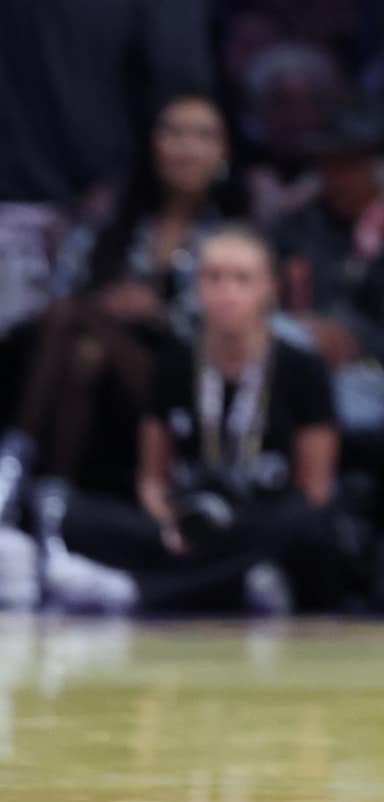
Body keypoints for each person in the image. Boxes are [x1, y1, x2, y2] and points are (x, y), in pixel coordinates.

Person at [0, 0, 213, 334]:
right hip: (14, 199)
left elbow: (181, 87)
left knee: (87, 349)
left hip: (115, 208)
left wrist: (132, 189)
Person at [57, 226, 345, 615]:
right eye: (214, 278)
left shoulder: (302, 367)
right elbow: (153, 479)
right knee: (77, 515)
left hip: (261, 519)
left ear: (269, 288)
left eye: (242, 279)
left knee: (308, 527)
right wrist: (170, 520)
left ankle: (138, 592)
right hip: (189, 521)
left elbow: (314, 489)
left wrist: (243, 532)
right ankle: (236, 584)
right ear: (196, 288)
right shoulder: (174, 364)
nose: (228, 292)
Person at [0, 94, 239, 522]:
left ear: (222, 152)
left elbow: (230, 334)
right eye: (174, 133)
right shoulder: (112, 226)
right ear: (153, 145)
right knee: (83, 351)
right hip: (88, 376)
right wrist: (107, 307)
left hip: (178, 386)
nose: (186, 147)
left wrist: (155, 314)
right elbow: (56, 298)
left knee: (76, 321)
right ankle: (53, 502)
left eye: (202, 135)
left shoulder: (229, 240)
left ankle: (14, 461)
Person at [272, 100, 384, 459]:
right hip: (292, 362)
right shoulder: (295, 228)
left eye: (352, 164)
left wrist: (356, 343)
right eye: (330, 163)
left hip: (377, 373)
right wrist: (310, 328)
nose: (338, 175)